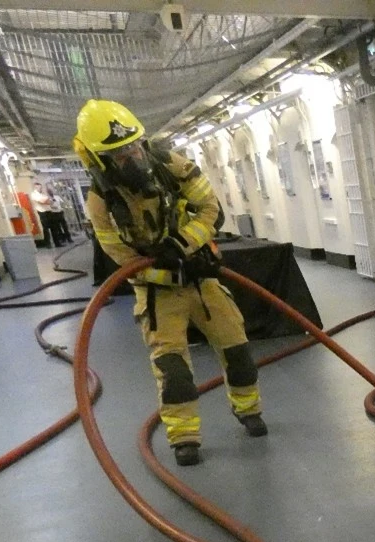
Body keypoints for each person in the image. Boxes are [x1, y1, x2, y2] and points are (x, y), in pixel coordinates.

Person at [73, 99, 265, 466]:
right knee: (173, 370)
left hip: (201, 278)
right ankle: (184, 437)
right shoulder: (100, 202)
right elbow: (119, 256)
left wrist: (183, 245)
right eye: (121, 154)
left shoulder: (169, 166)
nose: (134, 158)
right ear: (99, 161)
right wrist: (163, 269)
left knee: (238, 349)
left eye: (135, 147)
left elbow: (211, 209)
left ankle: (249, 409)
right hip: (158, 293)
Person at [30, 181, 72, 247]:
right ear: (35, 187)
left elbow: (51, 202)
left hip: (49, 211)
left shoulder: (42, 194)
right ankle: (48, 243)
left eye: (41, 187)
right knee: (46, 228)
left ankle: (57, 243)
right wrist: (48, 200)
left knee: (54, 228)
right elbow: (43, 201)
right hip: (42, 212)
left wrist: (48, 201)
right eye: (39, 187)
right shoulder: (34, 194)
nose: (40, 189)